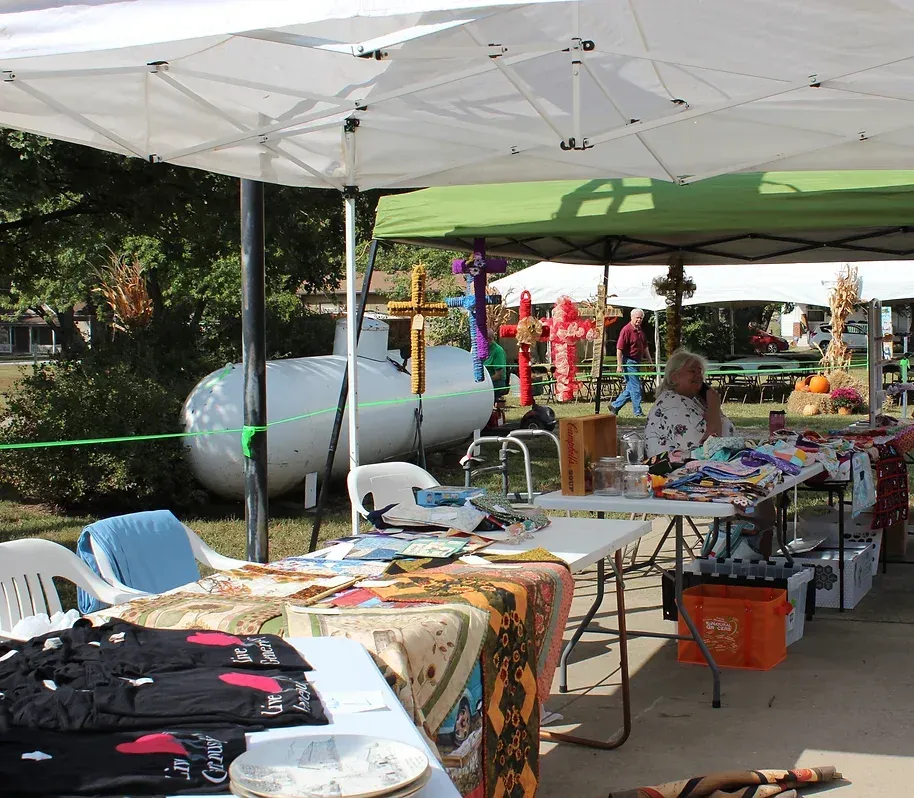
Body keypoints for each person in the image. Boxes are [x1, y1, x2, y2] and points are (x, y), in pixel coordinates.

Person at [644, 348, 735, 457]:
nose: (699, 376)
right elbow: (710, 448)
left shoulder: (693, 401)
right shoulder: (674, 404)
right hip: (680, 467)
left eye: (700, 371)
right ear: (674, 377)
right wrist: (714, 405)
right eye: (692, 371)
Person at [611, 308, 652, 417]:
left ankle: (615, 405)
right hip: (629, 362)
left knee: (631, 388)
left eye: (641, 318)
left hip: (637, 362)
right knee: (636, 387)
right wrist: (619, 365)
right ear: (632, 317)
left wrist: (650, 362)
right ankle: (637, 412)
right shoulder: (626, 330)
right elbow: (619, 349)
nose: (639, 320)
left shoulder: (640, 330)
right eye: (637, 318)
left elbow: (645, 347)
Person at [483, 330, 509, 399]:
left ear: (489, 339)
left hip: (495, 384)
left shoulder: (498, 351)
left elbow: (499, 375)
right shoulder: (481, 349)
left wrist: (484, 383)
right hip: (484, 383)